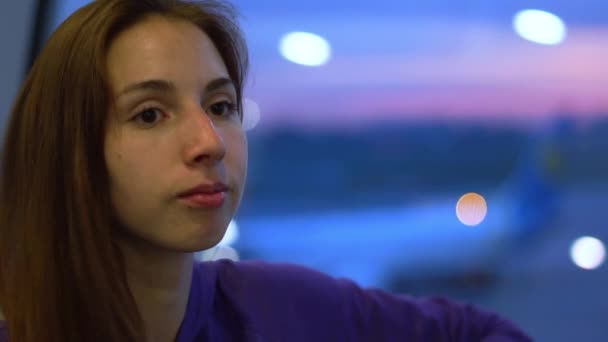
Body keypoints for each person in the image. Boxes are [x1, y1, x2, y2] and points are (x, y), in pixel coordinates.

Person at [0, 0, 532, 341]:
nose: (209, 143)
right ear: (70, 152)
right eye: (150, 114)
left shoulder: (280, 308)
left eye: (221, 106)